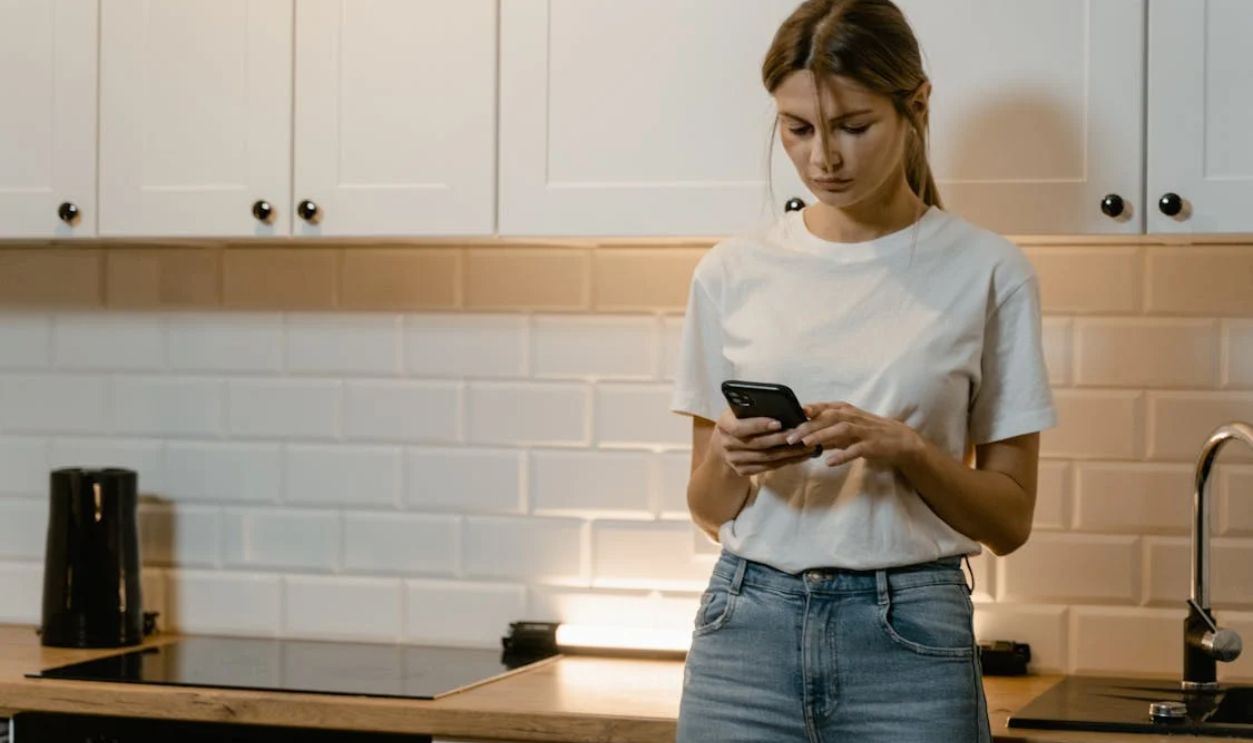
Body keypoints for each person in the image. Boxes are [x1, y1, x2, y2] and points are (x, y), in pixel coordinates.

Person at [668, 1, 1058, 740]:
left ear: (914, 106)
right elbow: (706, 508)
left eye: (852, 126)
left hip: (908, 638)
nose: (823, 159)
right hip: (741, 632)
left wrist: (906, 449)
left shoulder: (988, 271)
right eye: (797, 128)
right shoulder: (729, 272)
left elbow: (1008, 520)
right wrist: (730, 455)